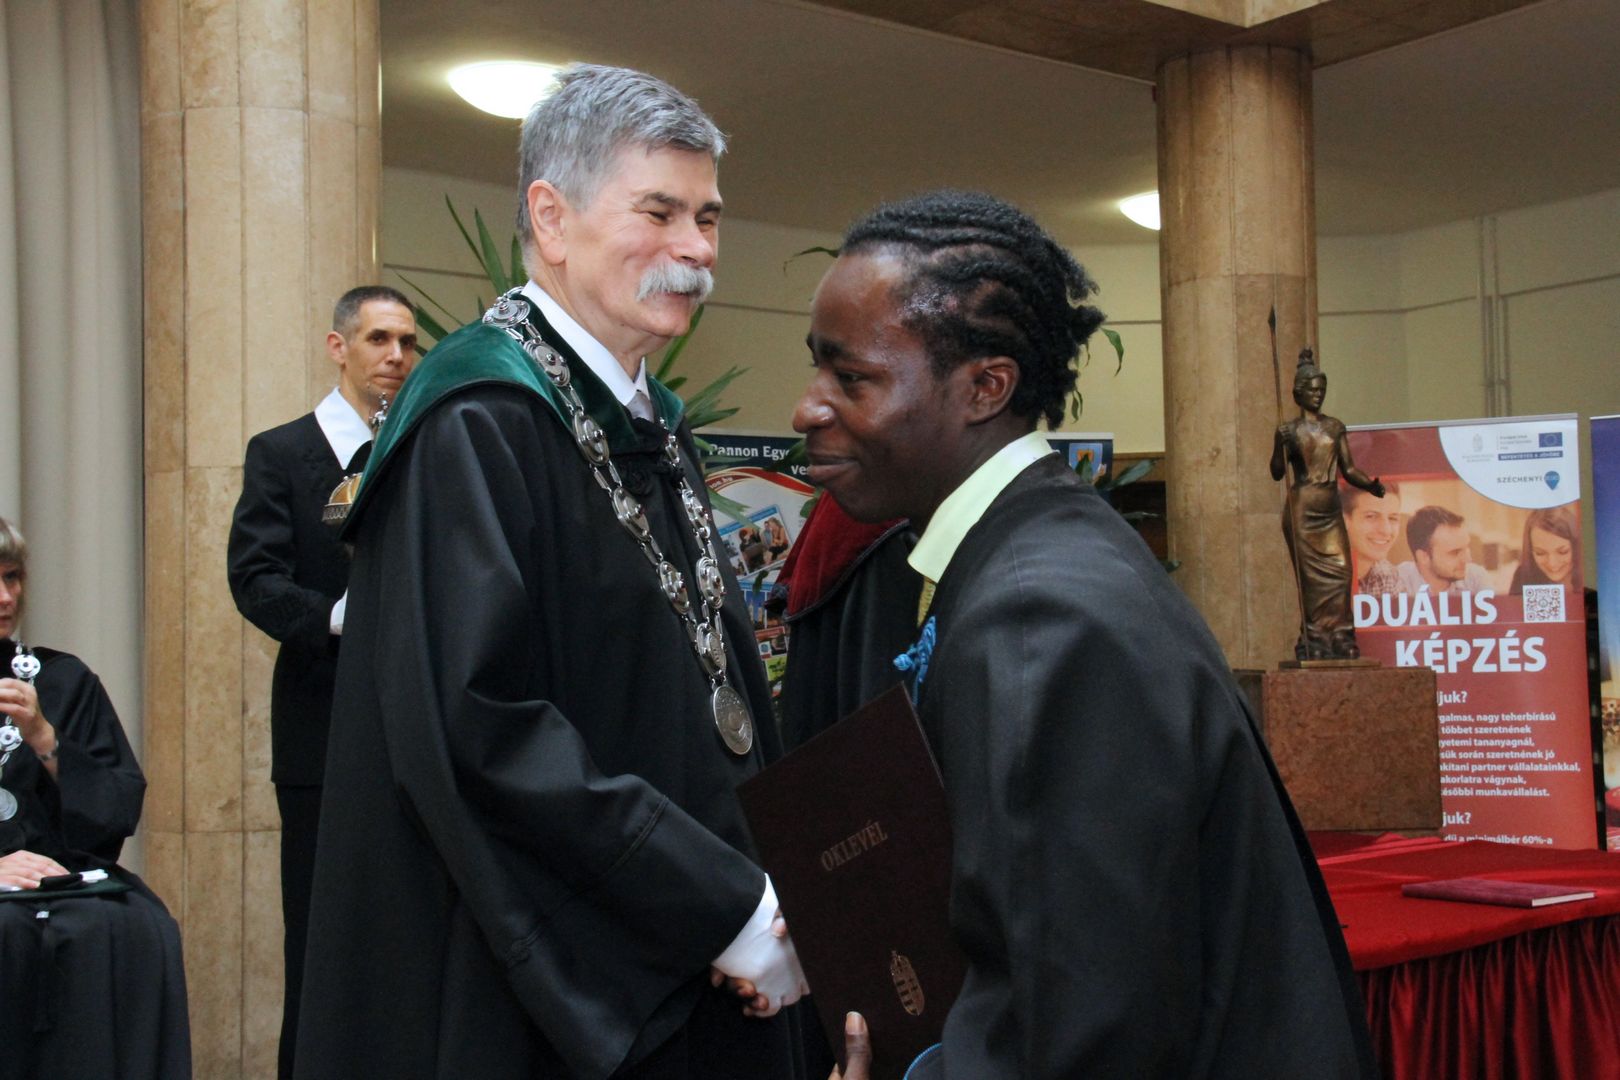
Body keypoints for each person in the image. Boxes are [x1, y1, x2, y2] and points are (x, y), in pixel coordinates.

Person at [793, 191, 1377, 1079]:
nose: (808, 408)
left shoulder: (1041, 618)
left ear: (985, 387)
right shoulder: (1036, 549)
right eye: (819, 371)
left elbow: (1077, 1026)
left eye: (853, 379)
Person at [295, 65, 804, 1080]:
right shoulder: (476, 419)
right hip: (546, 991)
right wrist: (718, 905)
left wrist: (757, 895)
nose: (698, 250)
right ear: (551, 217)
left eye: (707, 217)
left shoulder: (651, 422)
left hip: (701, 936)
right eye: (659, 212)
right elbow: (478, 730)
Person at [226, 284, 417, 1079]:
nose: (396, 357)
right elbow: (254, 578)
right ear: (338, 348)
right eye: (378, 339)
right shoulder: (283, 453)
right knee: (317, 936)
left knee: (406, 937)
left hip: (413, 731)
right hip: (321, 727)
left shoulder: (424, 446)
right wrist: (342, 617)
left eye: (407, 342)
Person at [0, 518, 191, 1079]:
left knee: (133, 925)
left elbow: (114, 809)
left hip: (59, 882)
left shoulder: (62, 679)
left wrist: (46, 739)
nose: (5, 597)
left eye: (12, 577)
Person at [1270, 349, 1386, 659]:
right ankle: (1315, 639)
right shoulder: (1291, 430)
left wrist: (1371, 485)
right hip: (1303, 510)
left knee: (1342, 572)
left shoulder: (1334, 427)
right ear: (1298, 394)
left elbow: (1349, 469)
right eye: (1312, 390)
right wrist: (1279, 444)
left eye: (1321, 390)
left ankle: (1341, 635)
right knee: (1310, 581)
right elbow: (1277, 472)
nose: (1317, 395)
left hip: (1330, 509)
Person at [1397, 504, 1492, 595]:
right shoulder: (1397, 581)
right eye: (1455, 552)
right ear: (1424, 557)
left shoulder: (1476, 578)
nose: (1468, 559)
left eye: (1466, 548)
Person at [1509, 504, 1583, 602]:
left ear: (1576, 547)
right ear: (1530, 551)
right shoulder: (1522, 575)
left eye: (1562, 552)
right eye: (1540, 553)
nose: (1552, 563)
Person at [1342, 481, 1403, 595]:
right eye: (1371, 516)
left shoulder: (1388, 574)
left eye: (1392, 518)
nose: (1386, 530)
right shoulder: (1320, 577)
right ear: (1344, 521)